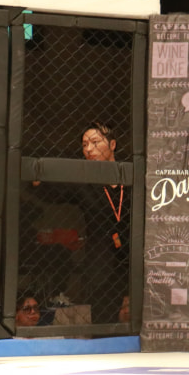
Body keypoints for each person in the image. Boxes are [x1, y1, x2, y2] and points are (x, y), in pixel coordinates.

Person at [78, 121, 132, 323]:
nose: (89, 149)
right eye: (84, 145)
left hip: (136, 261)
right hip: (103, 267)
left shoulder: (130, 176)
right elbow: (54, 193)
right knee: (104, 324)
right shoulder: (85, 182)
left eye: (95, 142)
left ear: (112, 145)